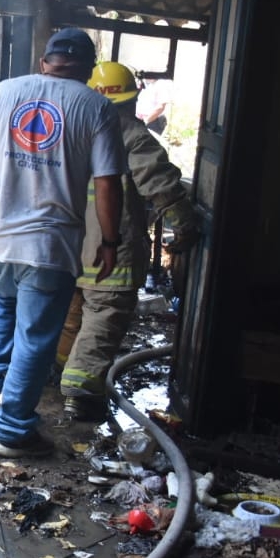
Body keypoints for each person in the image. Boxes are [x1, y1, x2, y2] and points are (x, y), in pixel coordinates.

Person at [0, 27, 127, 457]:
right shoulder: (96, 107)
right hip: (49, 244)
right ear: (89, 70)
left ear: (44, 63)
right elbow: (109, 184)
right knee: (35, 335)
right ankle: (14, 431)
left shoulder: (3, 93)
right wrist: (110, 241)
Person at [56, 61, 200, 421]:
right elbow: (162, 184)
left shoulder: (71, 128)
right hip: (110, 252)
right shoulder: (131, 134)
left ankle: (55, 376)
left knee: (69, 319)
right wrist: (185, 226)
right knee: (102, 321)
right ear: (130, 98)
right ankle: (80, 394)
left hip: (66, 248)